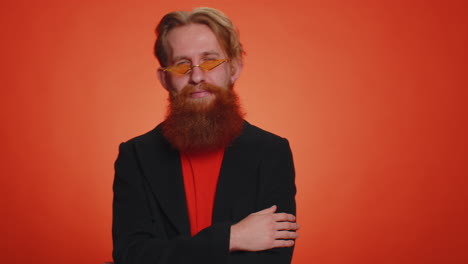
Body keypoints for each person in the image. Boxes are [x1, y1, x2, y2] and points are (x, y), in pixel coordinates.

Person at [112, 7, 299, 264]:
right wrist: (231, 238)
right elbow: (131, 255)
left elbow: (274, 260)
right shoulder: (135, 155)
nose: (197, 76)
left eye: (210, 61)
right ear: (165, 79)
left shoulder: (272, 152)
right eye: (182, 65)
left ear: (233, 69)